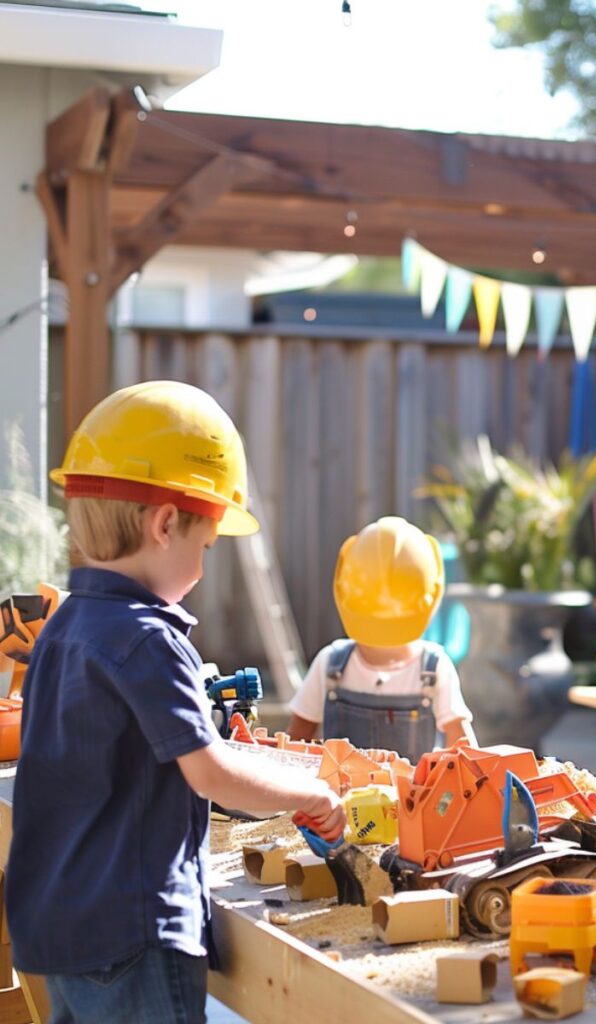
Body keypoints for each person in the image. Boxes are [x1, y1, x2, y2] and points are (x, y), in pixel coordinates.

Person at [6, 381, 346, 1024]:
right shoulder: (148, 637)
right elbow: (210, 770)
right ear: (166, 524)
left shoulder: (65, 628)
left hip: (58, 925)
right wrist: (311, 792)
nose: (204, 566)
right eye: (207, 546)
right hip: (132, 928)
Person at [287, 516, 475, 760]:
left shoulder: (434, 669)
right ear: (431, 592)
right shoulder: (331, 665)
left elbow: (465, 753)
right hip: (336, 799)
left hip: (412, 799)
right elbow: (294, 747)